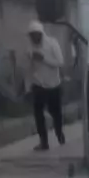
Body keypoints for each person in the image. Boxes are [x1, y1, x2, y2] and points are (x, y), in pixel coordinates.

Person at [26, 19, 66, 150]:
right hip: (39, 84)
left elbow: (60, 62)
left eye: (36, 34)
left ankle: (59, 134)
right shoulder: (30, 47)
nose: (34, 38)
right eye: (32, 35)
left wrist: (44, 59)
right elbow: (30, 67)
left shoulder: (52, 43)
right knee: (38, 113)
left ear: (41, 33)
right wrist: (28, 85)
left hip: (53, 84)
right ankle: (44, 141)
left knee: (56, 113)